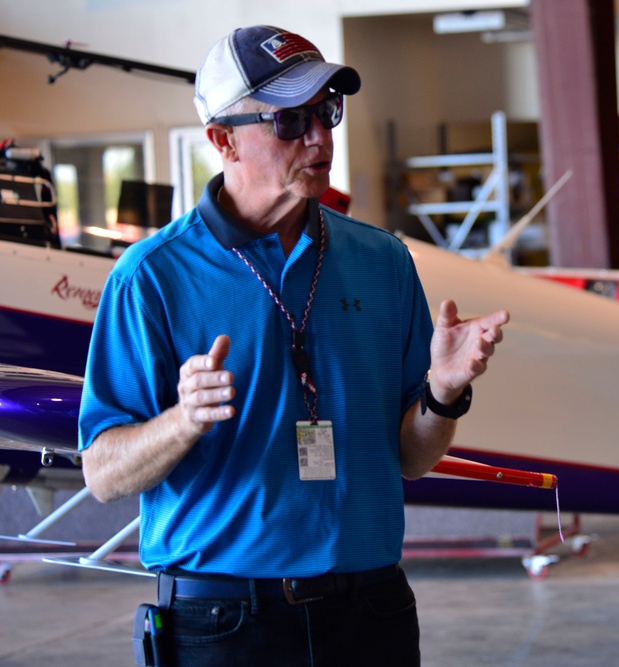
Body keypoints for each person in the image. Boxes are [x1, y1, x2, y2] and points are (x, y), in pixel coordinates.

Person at [78, 25, 509, 667]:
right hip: (222, 625)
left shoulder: (383, 262)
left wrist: (443, 396)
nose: (320, 138)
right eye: (290, 121)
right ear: (222, 139)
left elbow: (411, 460)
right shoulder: (150, 278)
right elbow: (103, 474)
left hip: (372, 613)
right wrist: (181, 423)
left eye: (326, 112)